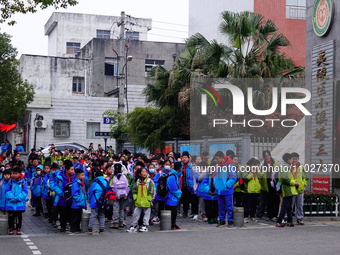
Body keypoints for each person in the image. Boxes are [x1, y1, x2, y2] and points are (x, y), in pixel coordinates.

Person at [49, 160, 75, 232]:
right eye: (71, 170)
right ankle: (63, 226)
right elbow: (51, 182)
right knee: (63, 212)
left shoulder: (74, 176)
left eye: (73, 169)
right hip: (62, 197)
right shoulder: (59, 175)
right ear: (66, 170)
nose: (73, 171)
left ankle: (70, 225)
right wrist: (59, 191)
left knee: (71, 212)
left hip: (71, 197)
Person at [127, 167, 155, 233]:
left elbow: (151, 190)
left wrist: (149, 198)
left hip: (146, 200)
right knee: (136, 214)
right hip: (138, 200)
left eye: (145, 172)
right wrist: (135, 197)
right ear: (139, 174)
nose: (145, 173)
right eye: (143, 172)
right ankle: (133, 225)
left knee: (147, 214)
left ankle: (145, 225)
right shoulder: (137, 181)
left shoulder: (149, 181)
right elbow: (134, 189)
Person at [213, 151, 237, 228]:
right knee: (221, 206)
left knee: (229, 206)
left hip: (227, 190)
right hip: (219, 190)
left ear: (222, 158)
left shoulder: (230, 166)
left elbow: (233, 178)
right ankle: (222, 220)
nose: (216, 160)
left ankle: (230, 220)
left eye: (217, 159)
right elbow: (215, 177)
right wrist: (216, 185)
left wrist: (226, 186)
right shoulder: (218, 166)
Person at [275, 153, 299, 227]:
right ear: (288, 159)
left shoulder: (287, 166)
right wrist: (294, 183)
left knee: (289, 206)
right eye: (291, 159)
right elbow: (284, 179)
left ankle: (289, 221)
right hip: (286, 189)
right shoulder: (284, 167)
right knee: (285, 206)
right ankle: (279, 221)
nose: (292, 160)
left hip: (290, 189)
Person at [5, 166, 28, 235]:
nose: (14, 175)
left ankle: (18, 228)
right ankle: (11, 228)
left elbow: (25, 192)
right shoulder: (10, 182)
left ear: (20, 174)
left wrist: (18, 198)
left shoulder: (23, 182)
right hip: (11, 203)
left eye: (16, 173)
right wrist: (12, 198)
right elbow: (7, 191)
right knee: (11, 217)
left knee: (19, 217)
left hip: (19, 203)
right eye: (13, 173)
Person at [258, 150, 279, 221]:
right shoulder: (262, 164)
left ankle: (275, 215)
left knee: (275, 200)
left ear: (270, 155)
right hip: (266, 184)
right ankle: (270, 215)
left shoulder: (275, 162)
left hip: (275, 183)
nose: (267, 157)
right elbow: (259, 174)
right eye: (265, 156)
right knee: (269, 201)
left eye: (268, 156)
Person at [87, 170, 107, 234]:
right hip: (103, 201)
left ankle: (90, 229)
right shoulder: (106, 182)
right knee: (101, 215)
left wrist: (89, 200)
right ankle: (102, 228)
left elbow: (90, 193)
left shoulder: (94, 183)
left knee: (93, 215)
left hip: (95, 201)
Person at [110, 163, 130, 229]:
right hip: (124, 194)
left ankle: (115, 222)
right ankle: (121, 222)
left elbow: (110, 185)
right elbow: (128, 185)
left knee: (116, 208)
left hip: (115, 194)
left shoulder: (113, 177)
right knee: (122, 208)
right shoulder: (124, 176)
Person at [180, 151, 199, 219]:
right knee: (185, 200)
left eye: (185, 157)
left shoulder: (192, 166)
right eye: (183, 157)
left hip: (191, 185)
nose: (184, 159)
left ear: (188, 158)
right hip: (183, 185)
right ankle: (185, 213)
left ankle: (194, 213)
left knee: (194, 199)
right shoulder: (181, 166)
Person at [242, 159, 262, 223]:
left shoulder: (257, 171)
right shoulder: (246, 169)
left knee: (254, 204)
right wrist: (252, 173)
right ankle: (245, 217)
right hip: (248, 190)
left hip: (256, 190)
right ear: (252, 165)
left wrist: (257, 172)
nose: (257, 167)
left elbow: (261, 176)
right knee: (247, 204)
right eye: (256, 166)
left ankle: (253, 216)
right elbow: (245, 178)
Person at [291, 152, 308, 225]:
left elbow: (306, 178)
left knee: (300, 205)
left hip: (300, 189)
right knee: (290, 204)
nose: (295, 160)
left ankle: (299, 218)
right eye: (293, 159)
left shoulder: (302, 167)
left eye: (296, 158)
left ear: (298, 158)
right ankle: (288, 218)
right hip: (292, 188)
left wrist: (303, 184)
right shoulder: (289, 166)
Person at [165, 162, 182, 230]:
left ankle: (173, 223)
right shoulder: (172, 176)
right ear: (179, 168)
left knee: (174, 211)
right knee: (172, 211)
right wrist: (179, 194)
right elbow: (172, 187)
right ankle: (171, 224)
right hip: (171, 197)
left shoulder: (175, 175)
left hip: (173, 197)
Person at [70, 168, 87, 233]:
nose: (83, 176)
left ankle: (77, 227)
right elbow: (74, 194)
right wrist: (80, 199)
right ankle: (73, 228)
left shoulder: (82, 183)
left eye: (83, 175)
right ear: (77, 176)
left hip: (80, 203)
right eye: (82, 175)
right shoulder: (75, 184)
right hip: (76, 204)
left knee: (79, 217)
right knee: (74, 217)